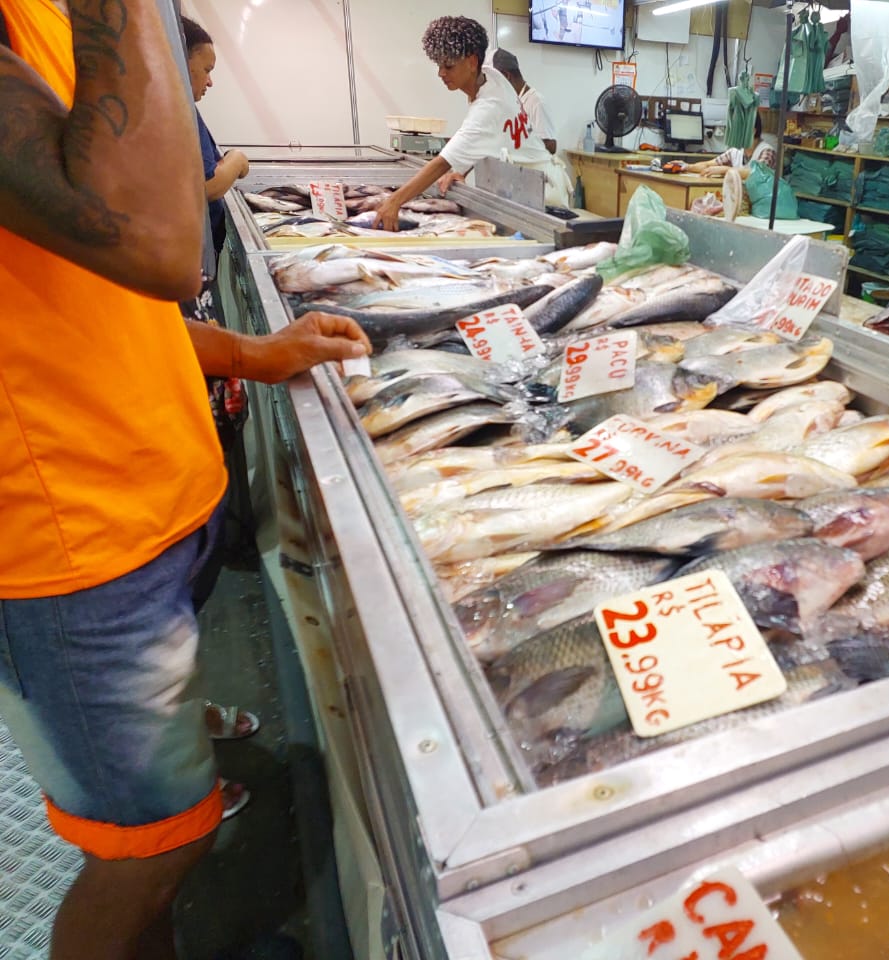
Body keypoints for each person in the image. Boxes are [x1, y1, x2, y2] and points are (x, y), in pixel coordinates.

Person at [0, 3, 369, 958]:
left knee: (168, 823)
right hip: (70, 543)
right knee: (149, 852)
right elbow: (163, 243)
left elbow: (103, 294)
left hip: (150, 502)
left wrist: (250, 351)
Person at [372, 17, 570, 230]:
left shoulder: (487, 108)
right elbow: (487, 138)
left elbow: (441, 163)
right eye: (439, 65)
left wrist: (394, 202)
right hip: (524, 183)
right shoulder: (491, 75)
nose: (441, 73)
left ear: (472, 62)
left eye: (448, 66)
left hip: (543, 192)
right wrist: (463, 170)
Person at [182, 15, 247, 260]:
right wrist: (237, 160)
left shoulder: (182, 107)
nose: (210, 81)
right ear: (179, 61)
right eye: (206, 70)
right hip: (191, 255)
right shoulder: (178, 108)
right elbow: (207, 187)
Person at [492, 48, 556, 154]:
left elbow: (551, 146)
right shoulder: (512, 100)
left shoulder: (536, 102)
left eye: (496, 81)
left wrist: (520, 143)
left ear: (506, 76)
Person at [685, 112, 777, 181]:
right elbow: (708, 165)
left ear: (752, 131)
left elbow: (756, 174)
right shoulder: (735, 152)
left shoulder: (767, 151)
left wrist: (725, 170)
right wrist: (686, 166)